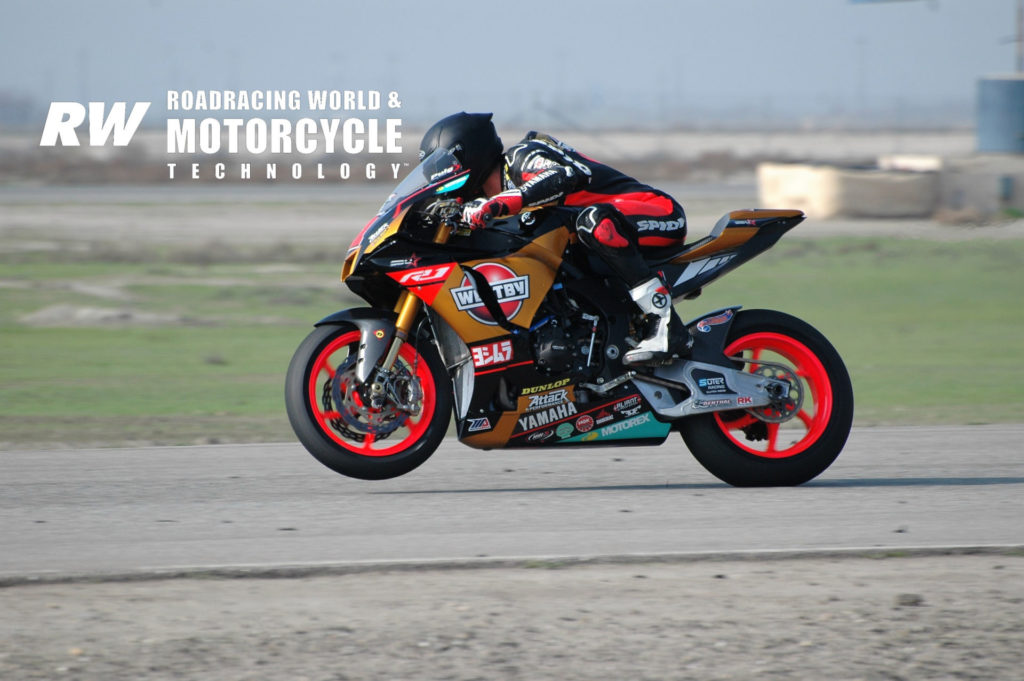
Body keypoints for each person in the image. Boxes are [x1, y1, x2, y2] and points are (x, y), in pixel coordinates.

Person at [419, 111, 692, 365]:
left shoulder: (522, 157)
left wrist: (497, 204)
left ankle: (666, 322)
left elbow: (564, 175)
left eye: (446, 168)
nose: (442, 182)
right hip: (606, 245)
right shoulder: (483, 204)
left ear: (470, 155)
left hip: (657, 213)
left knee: (594, 222)